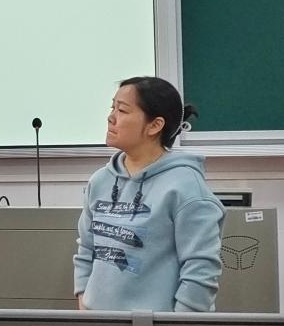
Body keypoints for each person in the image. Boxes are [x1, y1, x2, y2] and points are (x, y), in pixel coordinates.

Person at [73, 76, 224, 312]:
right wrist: (84, 300)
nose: (111, 117)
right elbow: (86, 249)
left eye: (122, 110)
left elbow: (201, 269)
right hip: (98, 323)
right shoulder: (100, 181)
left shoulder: (186, 186)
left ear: (154, 126)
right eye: (112, 108)